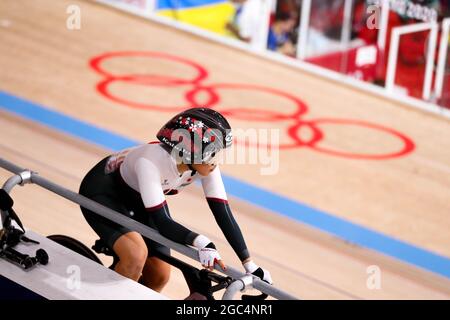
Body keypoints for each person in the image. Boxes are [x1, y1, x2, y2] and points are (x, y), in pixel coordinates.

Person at [79, 107, 272, 293]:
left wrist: (249, 264)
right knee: (135, 257)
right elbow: (163, 222)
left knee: (159, 275)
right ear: (190, 151)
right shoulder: (150, 162)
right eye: (213, 153)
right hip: (105, 192)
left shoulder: (204, 164)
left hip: (139, 199)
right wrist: (202, 242)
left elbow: (224, 214)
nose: (216, 161)